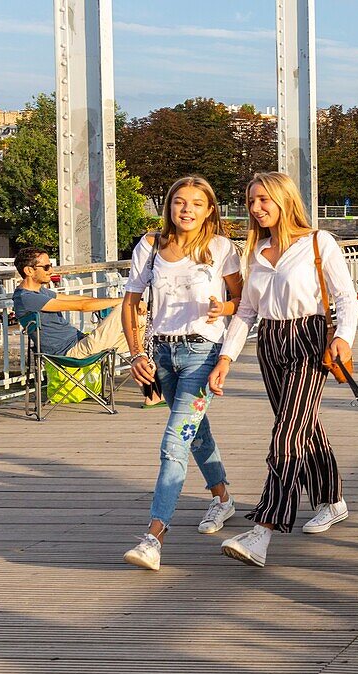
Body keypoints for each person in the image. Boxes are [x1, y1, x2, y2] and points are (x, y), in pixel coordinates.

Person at [208, 171, 358, 567]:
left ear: (283, 200)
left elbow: (345, 297)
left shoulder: (317, 242)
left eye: (263, 200)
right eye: (251, 202)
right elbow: (245, 311)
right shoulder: (255, 253)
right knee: (303, 427)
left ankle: (264, 529)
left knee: (287, 434)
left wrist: (344, 337)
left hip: (309, 339)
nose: (256, 209)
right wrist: (226, 358)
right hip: (271, 343)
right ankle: (331, 498)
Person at [120, 176, 243, 571]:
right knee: (194, 431)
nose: (186, 209)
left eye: (195, 203)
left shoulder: (221, 248)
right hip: (162, 354)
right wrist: (136, 353)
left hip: (202, 353)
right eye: (178, 202)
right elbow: (131, 302)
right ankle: (223, 499)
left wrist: (221, 311)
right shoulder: (150, 246)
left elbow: (243, 301)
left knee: (175, 441)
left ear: (210, 209)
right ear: (169, 206)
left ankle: (153, 537)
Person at [11, 247, 163, 406]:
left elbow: (76, 299)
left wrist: (122, 302)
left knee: (146, 338)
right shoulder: (26, 298)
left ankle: (152, 394)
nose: (52, 270)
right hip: (70, 353)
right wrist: (125, 301)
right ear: (29, 270)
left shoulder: (40, 292)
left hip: (81, 344)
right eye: (47, 267)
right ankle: (155, 390)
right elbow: (82, 306)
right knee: (123, 309)